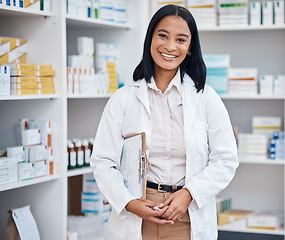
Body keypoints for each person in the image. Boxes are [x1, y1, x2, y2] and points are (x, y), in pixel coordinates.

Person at [90, 4, 239, 240]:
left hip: (186, 218)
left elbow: (226, 159)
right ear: (150, 39)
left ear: (190, 48)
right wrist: (129, 202)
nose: (170, 46)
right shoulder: (123, 98)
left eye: (181, 39)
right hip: (137, 215)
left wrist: (189, 193)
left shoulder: (206, 98)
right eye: (162, 35)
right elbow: (102, 161)